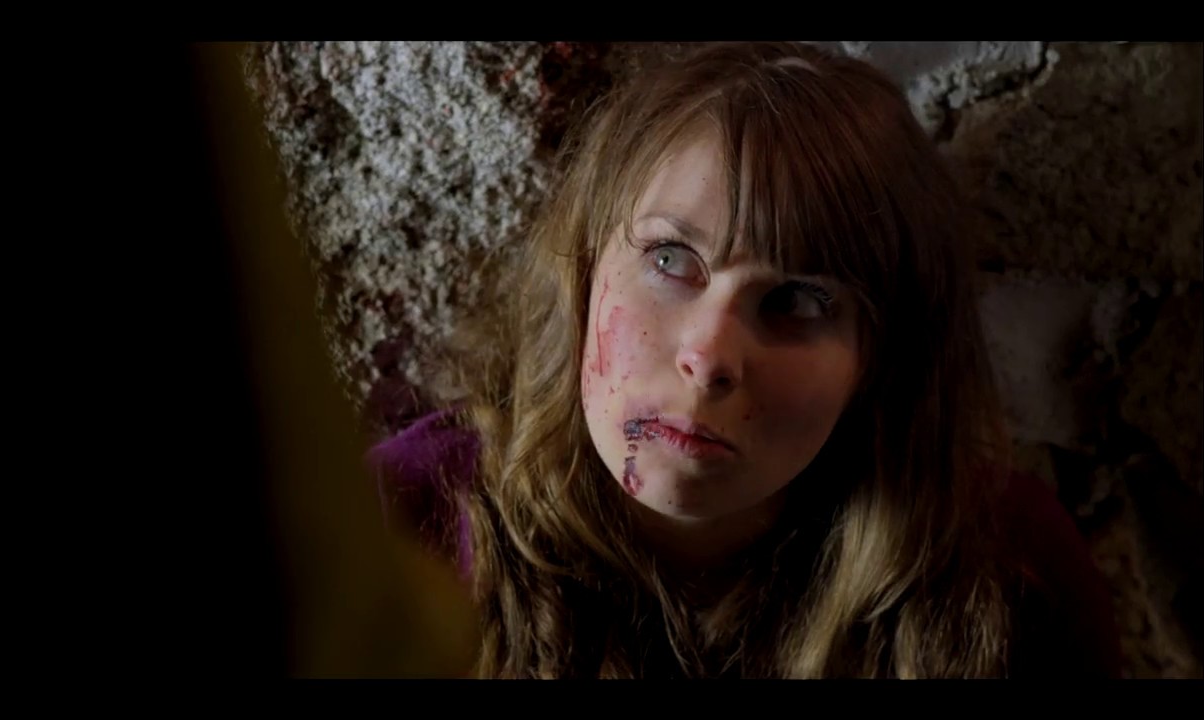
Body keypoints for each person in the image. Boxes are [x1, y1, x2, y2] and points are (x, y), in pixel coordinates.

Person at [369, 41, 1122, 678]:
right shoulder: (397, 520)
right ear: (585, 269)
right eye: (670, 259)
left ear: (879, 360)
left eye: (797, 300)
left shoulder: (1008, 572)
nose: (708, 357)